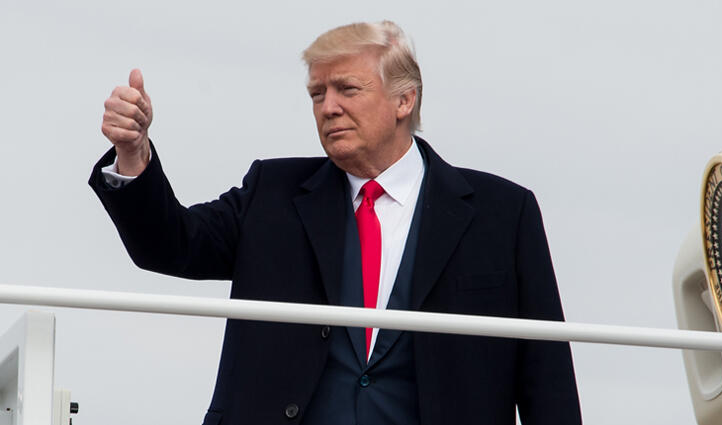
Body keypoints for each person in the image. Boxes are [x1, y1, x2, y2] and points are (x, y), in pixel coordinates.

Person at [90, 20, 581, 425]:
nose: (328, 107)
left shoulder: (503, 212)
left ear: (404, 101)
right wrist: (133, 155)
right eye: (317, 93)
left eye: (347, 88)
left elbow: (547, 378)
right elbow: (172, 244)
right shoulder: (272, 192)